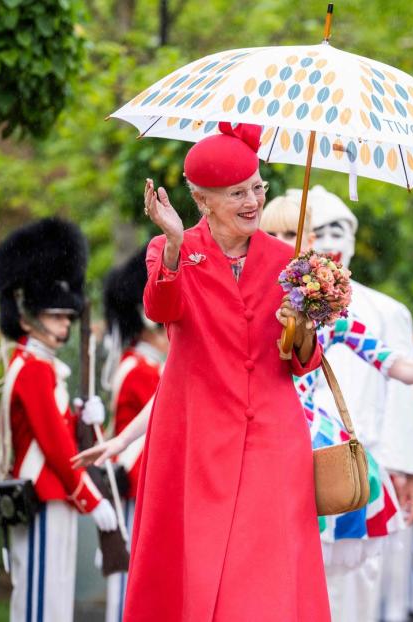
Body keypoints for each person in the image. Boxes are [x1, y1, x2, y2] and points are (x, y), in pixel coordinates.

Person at [265, 196, 413, 622]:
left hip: (323, 460)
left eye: (292, 234)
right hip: (254, 455)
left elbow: (399, 369)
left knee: (334, 589)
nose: (281, 243)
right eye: (271, 233)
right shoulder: (236, 306)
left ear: (309, 242)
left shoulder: (333, 315)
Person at [123, 122, 328, 621]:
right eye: (237, 192)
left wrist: (299, 327)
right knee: (191, 567)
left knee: (263, 572)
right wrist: (173, 243)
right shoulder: (170, 250)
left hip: (273, 432)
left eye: (258, 186)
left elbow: (303, 361)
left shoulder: (289, 261)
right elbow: (161, 308)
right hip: (194, 431)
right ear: (202, 199)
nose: (253, 200)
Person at [298, 186, 413, 622]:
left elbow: (404, 390)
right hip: (292, 461)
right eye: (321, 234)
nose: (332, 245)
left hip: (363, 466)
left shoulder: (384, 311)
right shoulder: (281, 309)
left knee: (359, 588)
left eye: (340, 234)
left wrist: (407, 467)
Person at [0, 218, 118, 622]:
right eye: (56, 317)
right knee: (42, 602)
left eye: (66, 317)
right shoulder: (34, 368)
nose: (65, 325)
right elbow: (55, 447)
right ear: (27, 319)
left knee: (54, 599)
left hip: (53, 495)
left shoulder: (39, 365)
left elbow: (60, 429)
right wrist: (90, 498)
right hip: (41, 495)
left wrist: (83, 416)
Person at [100, 247, 168, 622]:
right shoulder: (139, 368)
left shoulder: (146, 364)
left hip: (145, 483)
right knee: (128, 583)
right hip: (135, 485)